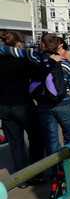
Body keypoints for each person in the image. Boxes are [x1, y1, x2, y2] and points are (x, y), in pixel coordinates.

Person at [1, 33, 70, 176]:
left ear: (42, 45)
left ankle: (55, 172)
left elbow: (5, 50)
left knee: (50, 140)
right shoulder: (66, 64)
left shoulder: (35, 58)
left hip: (43, 106)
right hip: (62, 104)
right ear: (59, 45)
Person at [0, 31, 45, 187]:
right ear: (18, 43)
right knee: (35, 138)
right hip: (23, 103)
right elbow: (39, 75)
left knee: (15, 142)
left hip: (4, 106)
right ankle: (37, 173)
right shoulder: (24, 60)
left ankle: (21, 178)